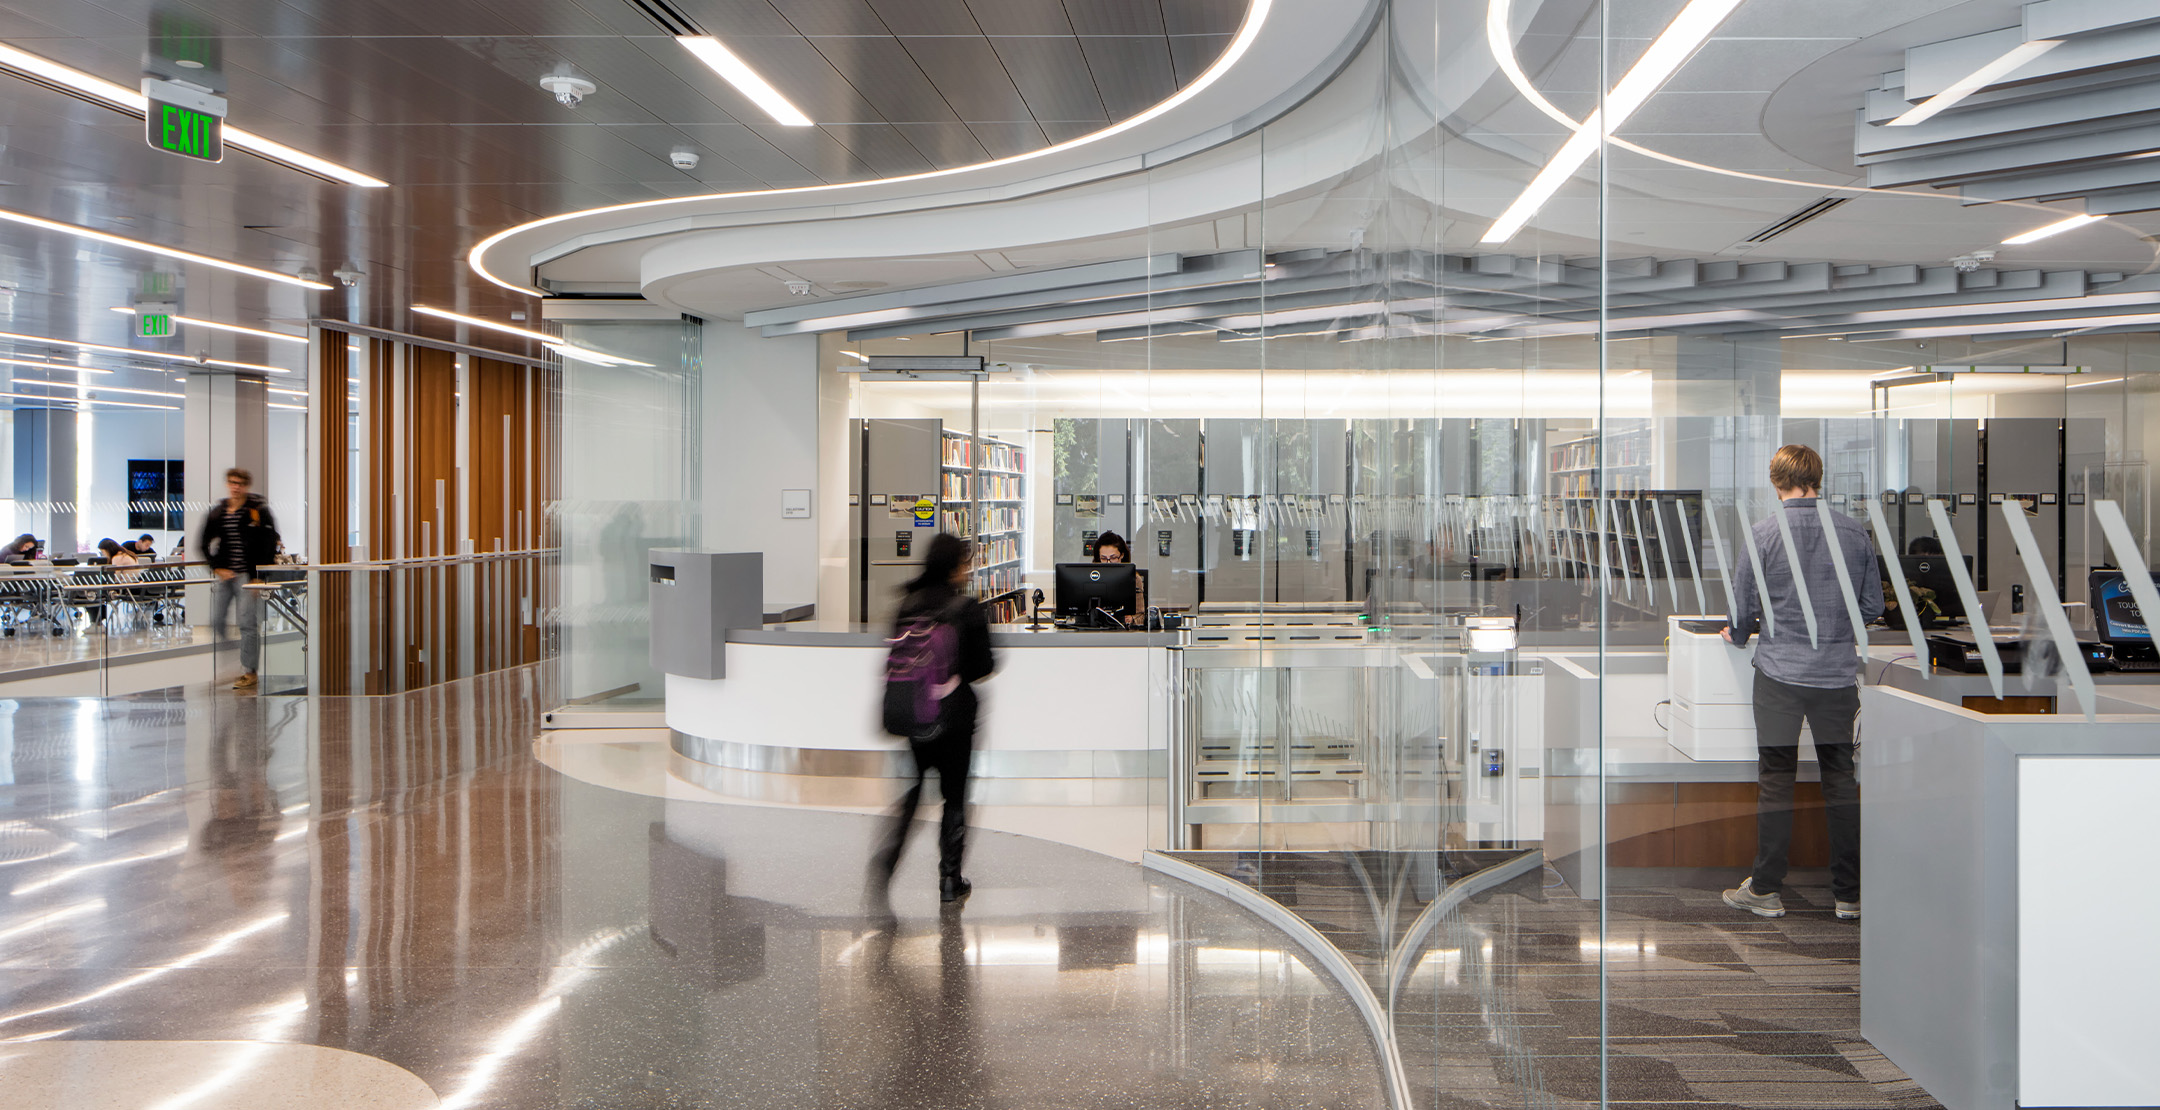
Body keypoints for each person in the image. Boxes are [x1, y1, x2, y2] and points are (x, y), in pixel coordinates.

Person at [1722, 445, 1883, 922]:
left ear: (1776, 484)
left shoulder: (1764, 533)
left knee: (1776, 782)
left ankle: (1767, 889)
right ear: (1818, 478)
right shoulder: (1854, 533)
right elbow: (1872, 606)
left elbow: (1740, 614)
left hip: (1779, 676)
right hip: (1835, 677)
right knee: (1840, 781)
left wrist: (1741, 631)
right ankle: (1849, 895)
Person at [869, 532, 994, 908]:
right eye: (965, 563)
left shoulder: (907, 603)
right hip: (954, 719)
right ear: (956, 567)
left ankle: (889, 858)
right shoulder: (966, 608)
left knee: (915, 786)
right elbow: (984, 666)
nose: (968, 570)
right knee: (953, 796)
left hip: (915, 715)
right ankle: (949, 880)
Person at [198, 467, 280, 690]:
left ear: (246, 486)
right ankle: (237, 657)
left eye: (240, 483)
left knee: (247, 623)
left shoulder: (257, 511)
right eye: (232, 482)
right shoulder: (219, 512)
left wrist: (257, 577)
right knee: (216, 620)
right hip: (226, 575)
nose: (236, 487)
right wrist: (216, 567)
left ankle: (249, 671)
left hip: (247, 575)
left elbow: (269, 542)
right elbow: (202, 543)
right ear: (227, 483)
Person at [1090, 530, 1147, 624]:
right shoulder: (1091, 578)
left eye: (1113, 558)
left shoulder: (1134, 579)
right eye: (1103, 558)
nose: (1108, 562)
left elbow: (1140, 616)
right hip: (1094, 631)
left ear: (1122, 556)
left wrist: (1132, 619)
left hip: (1123, 632)